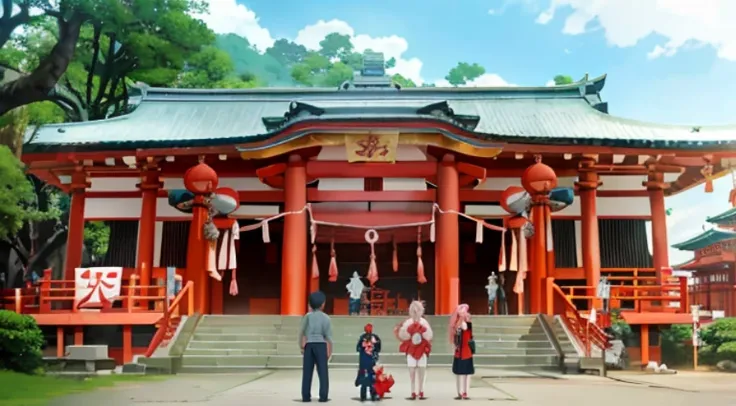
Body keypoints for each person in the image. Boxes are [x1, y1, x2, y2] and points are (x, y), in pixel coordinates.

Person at [298, 291, 333, 403]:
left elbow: (302, 332)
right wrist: (329, 350)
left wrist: (302, 346)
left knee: (307, 371)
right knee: (323, 372)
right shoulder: (326, 318)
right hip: (321, 345)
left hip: (309, 345)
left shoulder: (307, 317)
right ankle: (323, 396)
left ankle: (305, 396)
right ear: (322, 304)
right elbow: (328, 337)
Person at [395, 300, 433, 400]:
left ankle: (421, 390)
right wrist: (409, 332)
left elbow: (429, 335)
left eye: (418, 310)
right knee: (411, 371)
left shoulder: (424, 322)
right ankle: (413, 391)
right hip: (411, 349)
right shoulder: (408, 322)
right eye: (414, 311)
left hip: (422, 349)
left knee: (422, 370)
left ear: (421, 311)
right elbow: (403, 335)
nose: (416, 313)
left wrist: (422, 330)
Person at [449, 304, 475, 400]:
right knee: (460, 373)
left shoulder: (466, 324)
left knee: (466, 373)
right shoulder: (457, 324)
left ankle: (465, 392)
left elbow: (463, 328)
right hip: (460, 351)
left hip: (465, 351)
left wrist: (460, 320)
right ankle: (460, 392)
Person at [355, 323, 381, 401]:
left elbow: (357, 348)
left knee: (363, 377)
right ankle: (373, 395)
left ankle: (363, 396)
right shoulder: (375, 337)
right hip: (371, 361)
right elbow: (378, 349)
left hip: (363, 361)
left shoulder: (362, 338)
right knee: (372, 378)